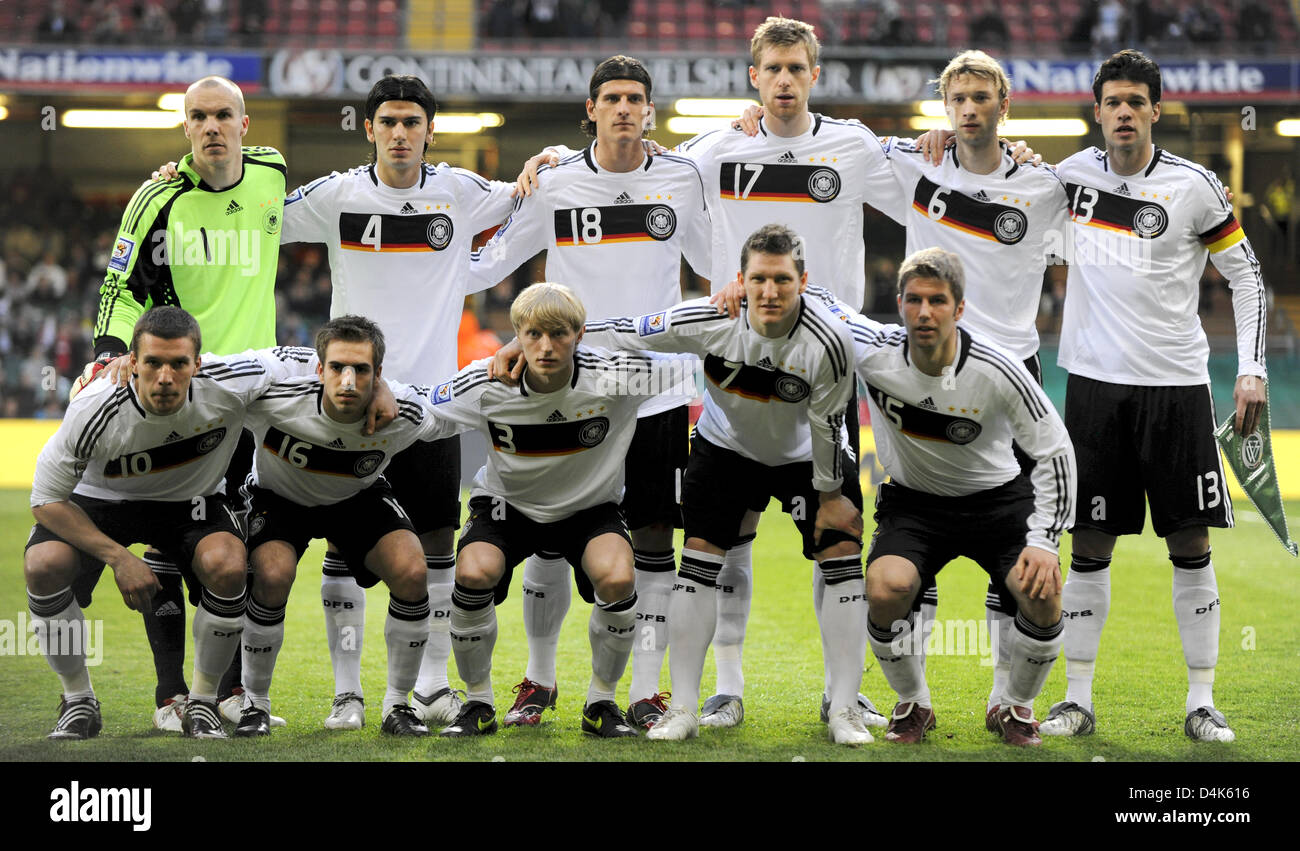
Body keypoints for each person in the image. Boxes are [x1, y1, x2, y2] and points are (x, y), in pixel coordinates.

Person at [466, 55, 709, 730]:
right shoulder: (556, 182)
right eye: (612, 98)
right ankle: (539, 681)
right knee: (548, 536)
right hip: (565, 389)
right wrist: (505, 194)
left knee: (656, 541)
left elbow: (719, 262)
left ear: (650, 111)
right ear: (591, 110)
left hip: (654, 389)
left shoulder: (683, 178)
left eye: (636, 97)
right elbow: (491, 260)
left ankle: (645, 689)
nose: (625, 108)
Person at [277, 74, 517, 731]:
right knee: (342, 549)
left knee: (438, 542)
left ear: (430, 130)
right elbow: (262, 212)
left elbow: (528, 196)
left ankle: (432, 683)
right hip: (349, 406)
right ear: (370, 128)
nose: (401, 133)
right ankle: (347, 693)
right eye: (389, 121)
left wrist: (545, 163)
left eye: (413, 122)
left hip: (432, 408)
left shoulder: (459, 193)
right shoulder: (337, 195)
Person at [1042, 50, 1267, 743]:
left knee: (1191, 541)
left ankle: (1202, 701)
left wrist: (1251, 367)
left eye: (1136, 102)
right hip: (1092, 387)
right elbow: (994, 189)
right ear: (1098, 110)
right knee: (1089, 542)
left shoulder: (1195, 186)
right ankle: (1077, 699)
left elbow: (1248, 276)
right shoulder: (1069, 178)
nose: (1123, 113)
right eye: (1112, 102)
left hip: (1175, 387)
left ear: (1155, 111)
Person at [579, 225, 873, 746]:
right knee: (698, 557)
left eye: (782, 279)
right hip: (726, 446)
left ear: (802, 282)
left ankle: (845, 707)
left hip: (805, 453)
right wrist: (553, 333)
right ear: (739, 281)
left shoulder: (829, 340)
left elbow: (830, 426)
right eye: (758, 279)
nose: (770, 292)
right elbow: (627, 329)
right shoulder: (707, 319)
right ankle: (685, 708)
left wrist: (830, 497)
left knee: (841, 550)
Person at [86, 76, 289, 733]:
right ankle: (173, 692)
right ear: (184, 128)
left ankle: (226, 691)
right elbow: (119, 281)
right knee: (174, 541)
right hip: (179, 391)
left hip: (250, 399)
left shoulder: (272, 174)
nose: (211, 127)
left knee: (233, 547)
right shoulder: (156, 194)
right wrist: (110, 351)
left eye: (222, 115)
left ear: (245, 124)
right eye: (197, 117)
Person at [809, 248, 1076, 745]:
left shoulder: (999, 368)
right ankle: (914, 703)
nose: (924, 312)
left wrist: (1044, 539)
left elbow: (1056, 449)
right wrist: (749, 290)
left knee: (1043, 593)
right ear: (900, 303)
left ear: (959, 308)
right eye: (914, 300)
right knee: (886, 588)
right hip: (915, 503)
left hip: (999, 501)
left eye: (937, 301)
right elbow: (819, 301)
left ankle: (1015, 707)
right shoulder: (873, 348)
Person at [880, 50, 1071, 731]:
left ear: (1003, 104)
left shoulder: (1046, 189)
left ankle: (1006, 698)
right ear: (945, 104)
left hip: (1012, 376)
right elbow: (826, 140)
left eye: (980, 96)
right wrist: (756, 116)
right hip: (928, 366)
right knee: (913, 549)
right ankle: (912, 698)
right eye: (956, 96)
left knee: (1014, 558)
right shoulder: (915, 164)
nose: (967, 107)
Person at [26, 307, 320, 739]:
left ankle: (201, 704)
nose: (165, 377)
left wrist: (376, 386)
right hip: (102, 502)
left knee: (228, 563)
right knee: (43, 564)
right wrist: (118, 559)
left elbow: (311, 357)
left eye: (179, 364)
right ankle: (78, 700)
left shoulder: (229, 380)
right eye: (153, 363)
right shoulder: (94, 405)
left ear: (198, 364)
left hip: (190, 503)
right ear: (132, 362)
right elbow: (46, 500)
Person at [426, 283, 672, 739]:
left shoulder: (619, 374)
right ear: (516, 334)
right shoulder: (486, 380)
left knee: (619, 578)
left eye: (558, 334)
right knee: (474, 572)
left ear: (579, 334)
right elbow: (424, 408)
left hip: (588, 508)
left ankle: (601, 703)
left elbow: (694, 369)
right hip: (508, 506)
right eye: (533, 334)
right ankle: (477, 704)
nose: (545, 347)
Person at [234, 315, 460, 737]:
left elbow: (456, 410)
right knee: (272, 573)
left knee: (413, 571)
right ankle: (255, 704)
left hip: (354, 497)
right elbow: (211, 378)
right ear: (319, 370)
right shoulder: (275, 394)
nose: (349, 380)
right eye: (337, 367)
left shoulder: (403, 410)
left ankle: (398, 706)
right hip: (280, 499)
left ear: (379, 376)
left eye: (362, 370)